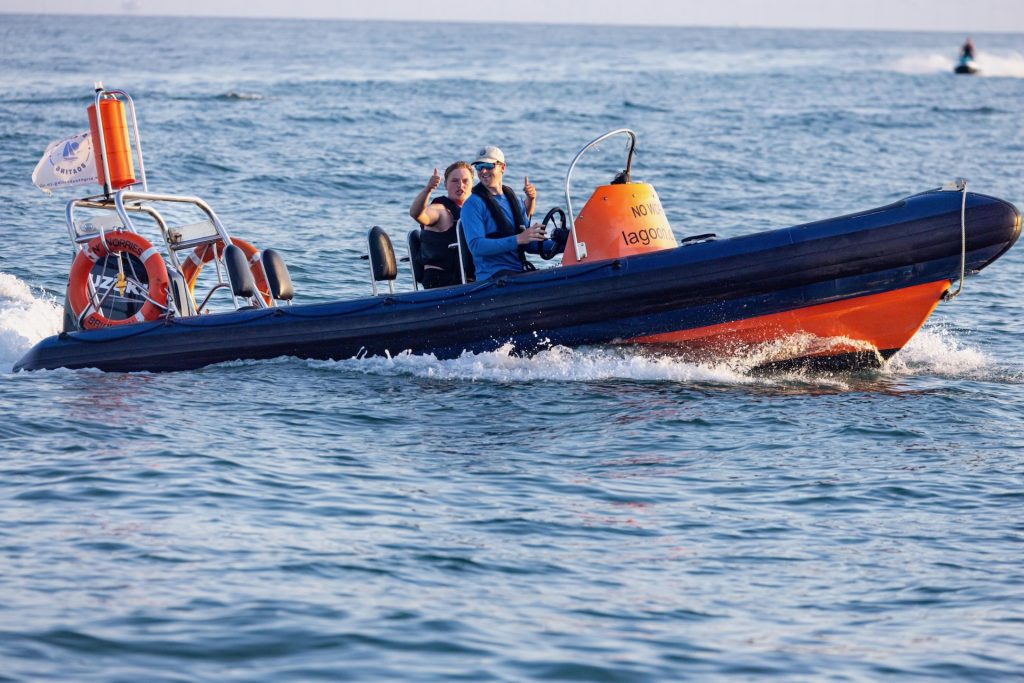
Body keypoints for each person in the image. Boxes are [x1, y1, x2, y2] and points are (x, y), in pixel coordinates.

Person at [459, 145, 567, 281]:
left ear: (502, 167)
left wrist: (565, 244)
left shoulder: (515, 200)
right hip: (492, 277)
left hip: (518, 271)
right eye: (479, 166)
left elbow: (529, 244)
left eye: (488, 165)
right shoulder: (472, 205)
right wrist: (519, 238)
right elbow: (476, 247)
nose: (483, 171)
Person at [409, 161, 474, 288]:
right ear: (446, 185)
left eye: (465, 181)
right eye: (455, 181)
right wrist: (428, 189)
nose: (460, 185)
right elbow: (416, 213)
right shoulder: (440, 210)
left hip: (466, 280)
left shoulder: (474, 212)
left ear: (472, 185)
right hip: (439, 281)